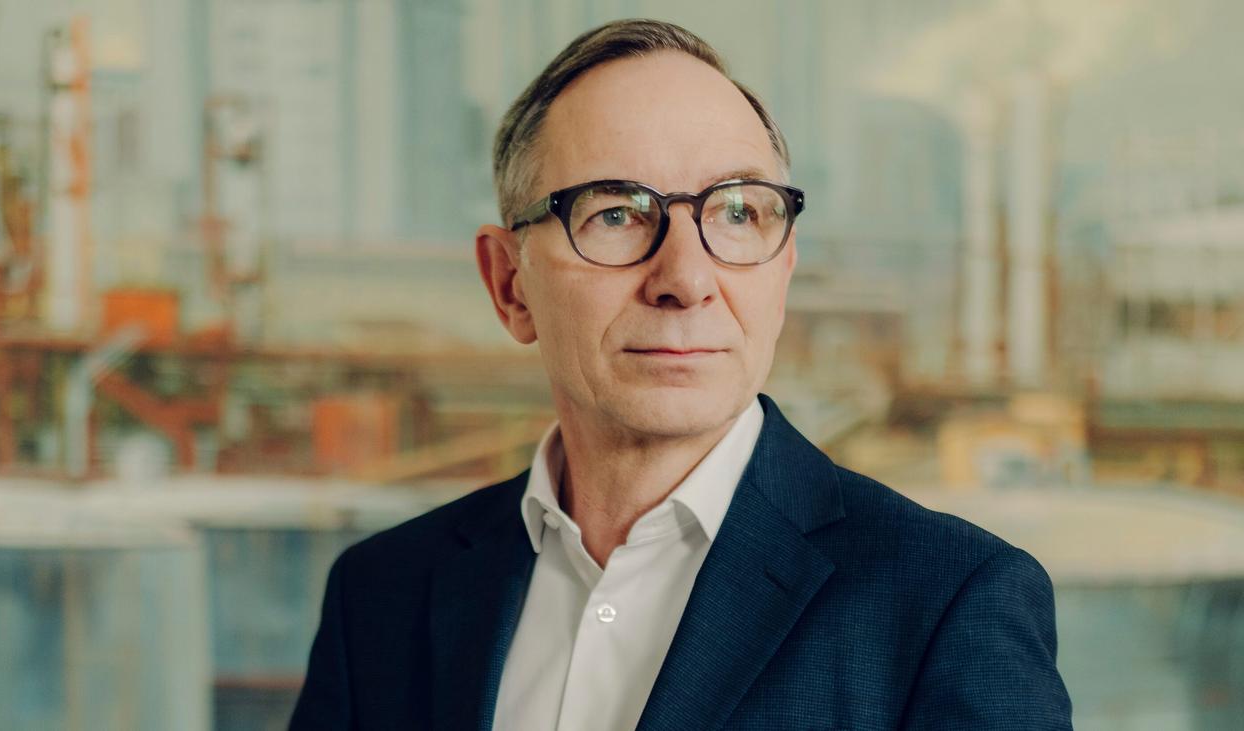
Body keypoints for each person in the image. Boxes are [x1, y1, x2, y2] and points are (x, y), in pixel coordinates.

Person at [290, 18, 1072, 731]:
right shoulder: (381, 596)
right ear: (509, 284)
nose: (687, 279)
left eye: (737, 213)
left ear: (783, 271)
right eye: (615, 213)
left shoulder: (947, 606)